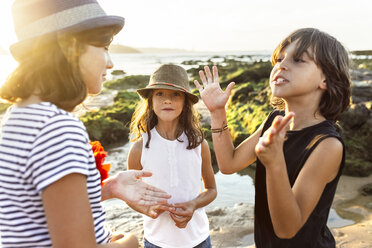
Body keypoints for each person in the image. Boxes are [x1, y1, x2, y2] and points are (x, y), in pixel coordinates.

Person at [0, 0, 171, 247]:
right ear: (70, 46)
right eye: (103, 46)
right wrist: (129, 243)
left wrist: (110, 188)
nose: (110, 62)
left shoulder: (17, 118)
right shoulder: (57, 128)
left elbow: (36, 214)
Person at [194, 28, 351, 248]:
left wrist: (274, 162)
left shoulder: (327, 145)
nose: (281, 65)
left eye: (298, 60)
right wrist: (218, 113)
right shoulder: (274, 121)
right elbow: (229, 164)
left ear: (326, 79)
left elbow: (287, 229)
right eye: (279, 58)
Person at [127, 64, 217, 248]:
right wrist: (149, 208)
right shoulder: (139, 148)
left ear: (185, 102)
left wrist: (194, 204)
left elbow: (211, 190)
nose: (167, 100)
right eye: (160, 94)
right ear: (151, 101)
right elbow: (131, 196)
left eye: (175, 94)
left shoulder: (199, 144)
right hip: (157, 242)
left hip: (198, 240)